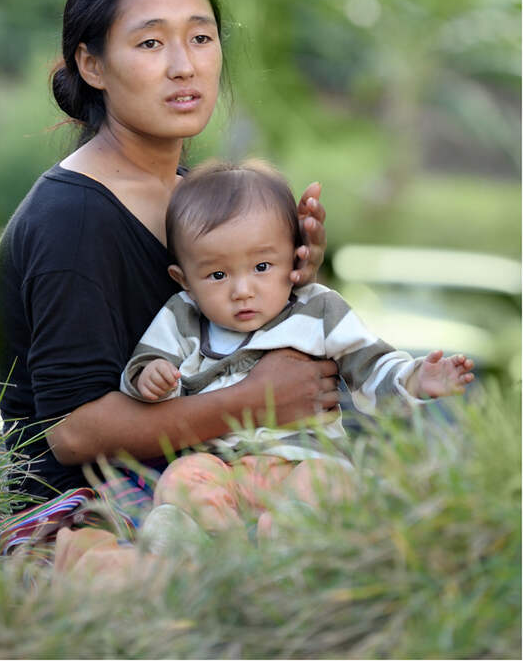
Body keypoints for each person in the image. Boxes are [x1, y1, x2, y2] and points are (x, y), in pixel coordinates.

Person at [0, 0, 336, 520]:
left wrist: (288, 284)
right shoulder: (73, 218)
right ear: (92, 65)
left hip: (213, 493)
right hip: (96, 525)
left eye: (200, 38)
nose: (185, 66)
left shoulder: (196, 199)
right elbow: (72, 433)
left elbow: (225, 350)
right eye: (151, 43)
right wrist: (253, 401)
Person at [119, 160, 475, 537]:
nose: (243, 290)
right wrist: (151, 377)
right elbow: (146, 364)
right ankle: (202, 541)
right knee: (183, 478)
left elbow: (371, 367)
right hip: (221, 467)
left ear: (295, 257)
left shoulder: (318, 310)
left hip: (305, 462)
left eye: (261, 266)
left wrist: (416, 378)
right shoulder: (182, 316)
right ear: (184, 280)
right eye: (218, 275)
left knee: (329, 482)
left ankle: (290, 538)